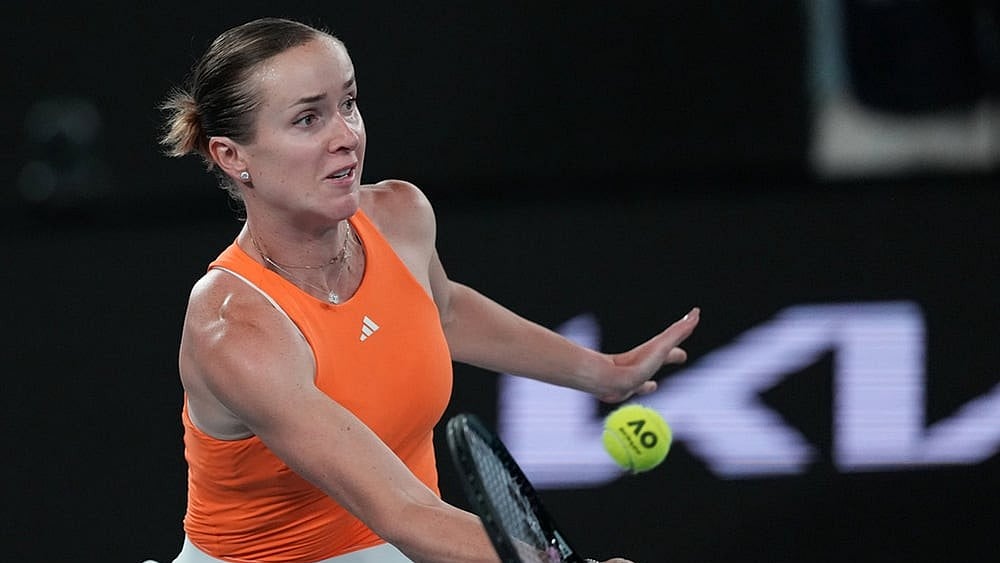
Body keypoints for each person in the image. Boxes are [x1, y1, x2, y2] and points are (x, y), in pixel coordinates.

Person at [159, 17, 700, 563]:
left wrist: (603, 374)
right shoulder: (235, 328)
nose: (346, 136)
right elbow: (401, 509)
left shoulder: (398, 215)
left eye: (348, 103)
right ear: (232, 156)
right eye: (307, 119)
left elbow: (441, 312)